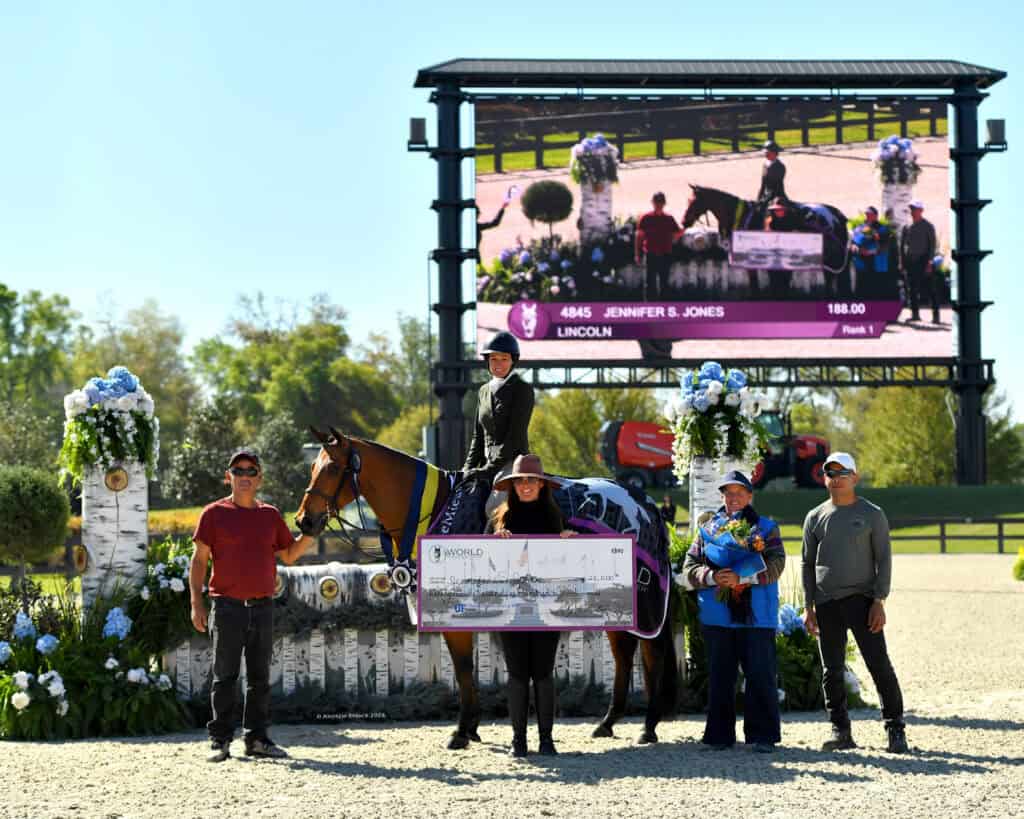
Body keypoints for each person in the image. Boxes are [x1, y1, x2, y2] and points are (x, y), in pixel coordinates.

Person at [190, 449, 316, 762]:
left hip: (262, 608)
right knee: (225, 677)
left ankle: (257, 740)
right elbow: (199, 560)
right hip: (227, 607)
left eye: (250, 471)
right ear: (228, 476)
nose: (244, 477)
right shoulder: (213, 514)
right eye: (238, 471)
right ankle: (220, 742)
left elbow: (288, 555)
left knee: (259, 678)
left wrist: (313, 533)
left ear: (259, 478)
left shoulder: (270, 516)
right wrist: (196, 601)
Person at [801, 452, 909, 754]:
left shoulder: (872, 514)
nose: (836, 479)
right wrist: (809, 606)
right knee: (831, 670)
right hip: (826, 604)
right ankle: (840, 731)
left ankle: (895, 729)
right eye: (830, 474)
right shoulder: (815, 517)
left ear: (855, 477)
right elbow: (807, 564)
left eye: (842, 473)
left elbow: (883, 560)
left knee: (879, 665)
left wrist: (879, 600)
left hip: (863, 602)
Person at [682, 470, 786, 753]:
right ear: (722, 496)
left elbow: (777, 564)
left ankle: (763, 736)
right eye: (728, 493)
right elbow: (689, 568)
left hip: (757, 616)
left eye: (739, 492)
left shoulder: (766, 528)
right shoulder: (707, 530)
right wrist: (715, 578)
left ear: (750, 496)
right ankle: (719, 735)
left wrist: (743, 577)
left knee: (760, 675)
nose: (733, 498)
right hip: (717, 616)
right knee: (720, 676)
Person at [487, 454, 576, 757]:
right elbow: (480, 563)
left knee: (543, 672)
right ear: (513, 485)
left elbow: (573, 563)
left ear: (541, 484)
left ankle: (547, 740)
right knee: (516, 673)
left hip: (546, 607)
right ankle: (518, 741)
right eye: (520, 480)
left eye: (532, 480)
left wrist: (569, 540)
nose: (526, 485)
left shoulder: (556, 518)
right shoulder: (498, 520)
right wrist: (494, 545)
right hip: (509, 610)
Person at [463, 331, 534, 491]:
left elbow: (515, 436)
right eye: (494, 359)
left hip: (513, 464)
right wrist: (466, 469)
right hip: (487, 464)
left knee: (492, 506)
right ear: (487, 361)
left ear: (512, 361)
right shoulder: (483, 391)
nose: (498, 364)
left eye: (504, 359)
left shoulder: (522, 389)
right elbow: (478, 436)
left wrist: (489, 469)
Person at [635, 192, 683, 300]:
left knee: (664, 282)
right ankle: (650, 308)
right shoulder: (645, 218)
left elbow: (677, 233)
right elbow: (639, 237)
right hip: (651, 254)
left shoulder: (669, 218)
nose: (658, 205)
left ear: (664, 204)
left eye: (660, 202)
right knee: (649, 282)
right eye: (657, 202)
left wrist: (685, 226)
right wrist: (637, 254)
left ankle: (664, 307)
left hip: (665, 254)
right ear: (653, 203)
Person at [899, 200, 939, 323]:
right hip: (910, 261)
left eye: (915, 209)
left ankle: (936, 316)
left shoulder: (928, 226)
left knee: (931, 289)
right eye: (911, 209)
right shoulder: (907, 226)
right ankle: (915, 315)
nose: (912, 211)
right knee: (911, 289)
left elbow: (932, 245)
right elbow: (902, 245)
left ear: (921, 210)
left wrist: (930, 262)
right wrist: (902, 262)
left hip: (925, 260)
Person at [849, 206, 894, 298]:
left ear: (875, 216)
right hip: (861, 263)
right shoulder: (859, 228)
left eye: (870, 214)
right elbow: (853, 241)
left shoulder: (882, 229)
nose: (867, 216)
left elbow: (885, 246)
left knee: (877, 289)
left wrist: (871, 252)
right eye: (866, 214)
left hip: (877, 263)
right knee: (862, 289)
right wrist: (854, 246)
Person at [763, 197, 803, 298]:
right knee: (773, 280)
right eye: (776, 210)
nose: (778, 212)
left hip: (788, 256)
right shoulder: (769, 221)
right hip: (773, 257)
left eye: (780, 209)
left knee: (786, 280)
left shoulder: (792, 221)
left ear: (785, 210)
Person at [756, 140, 788, 212]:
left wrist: (765, 200)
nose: (765, 154)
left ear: (774, 153)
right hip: (766, 195)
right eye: (765, 152)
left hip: (777, 196)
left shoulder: (780, 166)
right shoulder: (765, 164)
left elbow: (776, 186)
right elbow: (763, 184)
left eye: (767, 152)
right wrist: (758, 198)